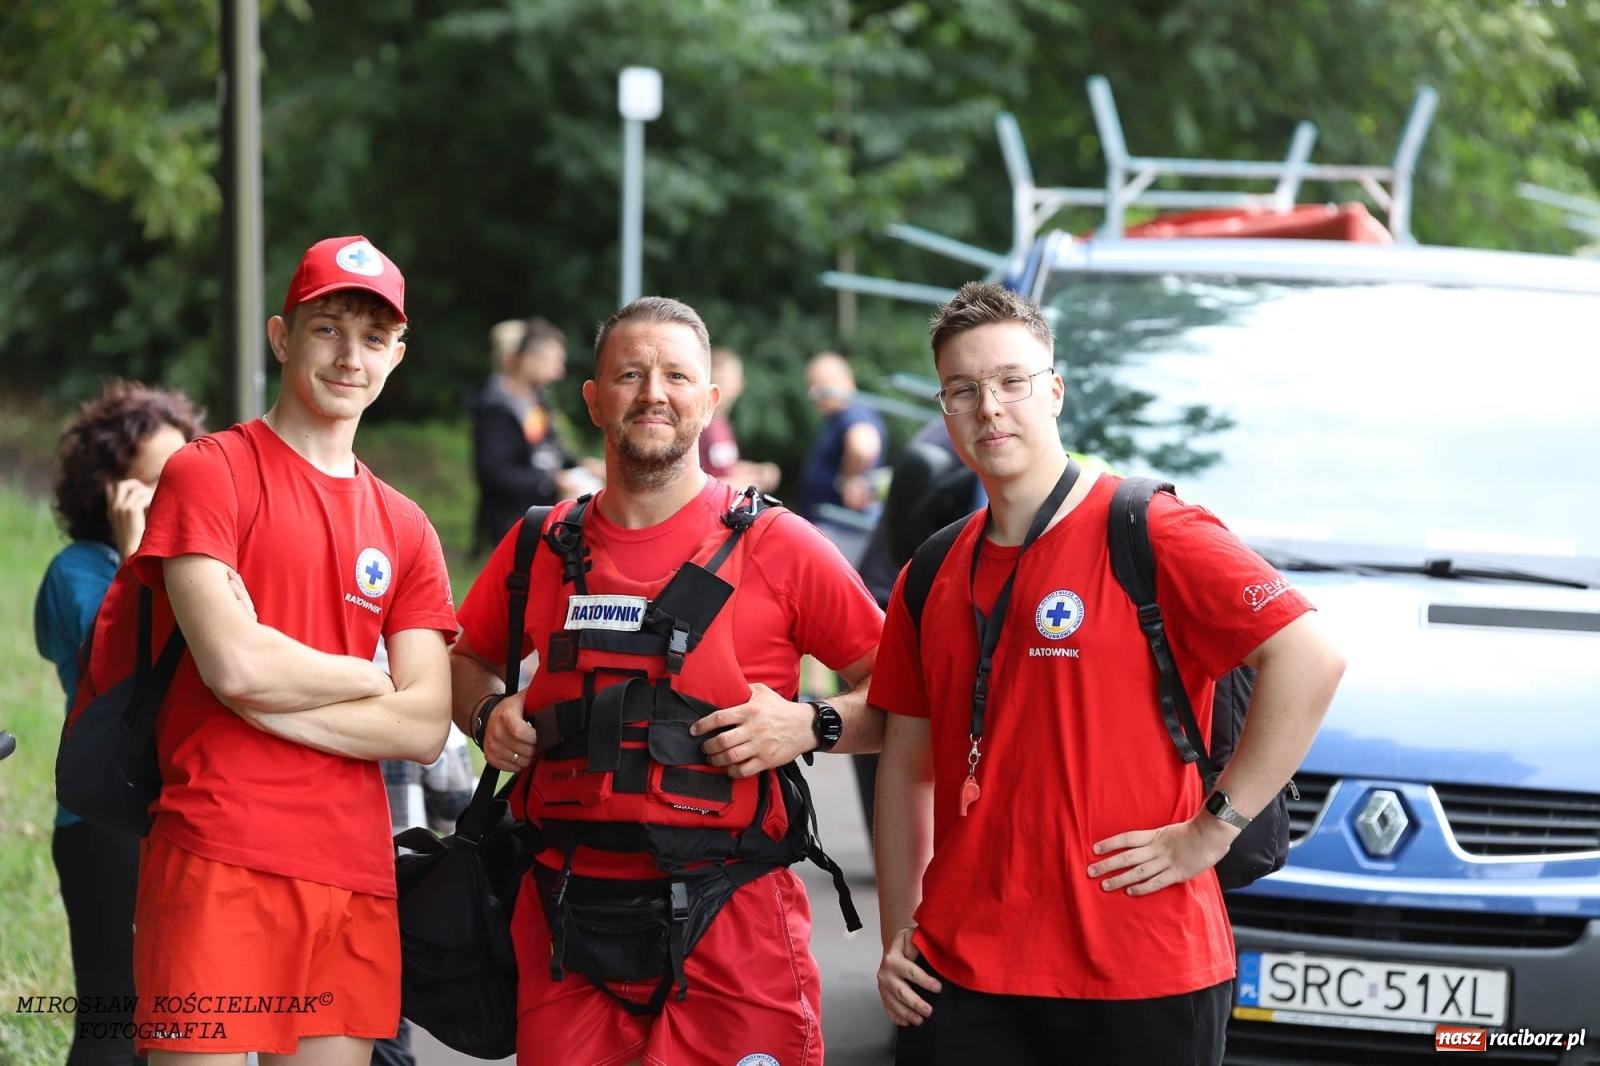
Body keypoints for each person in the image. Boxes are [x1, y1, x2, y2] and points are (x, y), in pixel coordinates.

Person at [870, 282, 1345, 1065]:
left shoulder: (1149, 528)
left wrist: (1212, 830)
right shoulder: (932, 569)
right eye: (963, 390)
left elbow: (1310, 654)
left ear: (1054, 391)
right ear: (944, 408)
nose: (990, 408)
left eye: (1012, 382)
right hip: (959, 972)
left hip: (1143, 970)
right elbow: (906, 762)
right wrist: (898, 930)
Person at [449, 296, 885, 1066]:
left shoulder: (783, 545)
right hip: (563, 921)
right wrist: (487, 713)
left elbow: (899, 693)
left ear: (709, 401)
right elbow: (463, 660)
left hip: (734, 919)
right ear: (593, 400)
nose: (654, 393)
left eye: (677, 376)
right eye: (630, 374)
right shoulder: (539, 544)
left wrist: (811, 723)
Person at [125, 235, 458, 1064]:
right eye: (328, 328)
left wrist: (265, 698)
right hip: (217, 849)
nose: (350, 357)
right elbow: (235, 666)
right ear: (281, 337)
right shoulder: (209, 473)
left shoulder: (407, 527)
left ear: (397, 356)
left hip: (352, 872)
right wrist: (365, 679)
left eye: (373, 337)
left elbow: (424, 726)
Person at [35, 380, 203, 1066]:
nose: (175, 495)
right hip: (106, 817)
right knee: (113, 1023)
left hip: (186, 811)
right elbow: (119, 661)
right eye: (155, 482)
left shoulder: (197, 569)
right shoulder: (77, 570)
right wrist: (138, 553)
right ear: (109, 489)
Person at [471, 316, 601, 552]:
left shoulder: (538, 400)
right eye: (553, 361)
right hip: (515, 517)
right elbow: (495, 474)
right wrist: (551, 481)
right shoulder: (496, 408)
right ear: (527, 359)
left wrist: (580, 464)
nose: (559, 372)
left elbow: (549, 451)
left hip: (544, 507)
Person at [797, 351, 887, 563]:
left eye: (821, 384)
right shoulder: (842, 416)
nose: (814, 392)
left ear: (846, 381)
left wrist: (850, 479)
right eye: (812, 384)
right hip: (837, 529)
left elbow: (863, 445)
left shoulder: (853, 413)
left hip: (841, 529)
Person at [698, 346, 779, 492]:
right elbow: (697, 485)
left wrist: (757, 471)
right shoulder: (699, 427)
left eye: (726, 381)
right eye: (717, 381)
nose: (721, 388)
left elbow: (724, 469)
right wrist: (751, 484)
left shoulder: (723, 424)